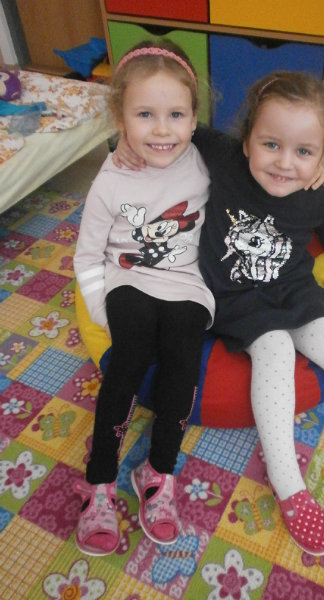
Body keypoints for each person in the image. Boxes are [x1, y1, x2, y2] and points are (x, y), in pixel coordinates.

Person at [114, 70, 324, 557]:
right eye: (271, 145)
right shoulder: (224, 156)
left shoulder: (317, 192)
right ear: (246, 140)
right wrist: (125, 141)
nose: (285, 163)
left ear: (322, 156)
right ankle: (289, 485)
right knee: (276, 347)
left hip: (294, 288)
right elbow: (171, 130)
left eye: (304, 152)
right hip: (234, 299)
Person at [73, 40, 216, 556]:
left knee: (183, 359)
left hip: (187, 283)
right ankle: (100, 480)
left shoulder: (207, 159)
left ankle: (158, 472)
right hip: (128, 280)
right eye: (145, 115)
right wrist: (103, 313)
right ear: (121, 118)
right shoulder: (110, 180)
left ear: (195, 117)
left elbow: (269, 160)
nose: (162, 130)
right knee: (129, 357)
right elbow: (87, 256)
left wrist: (317, 178)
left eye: (176, 115)